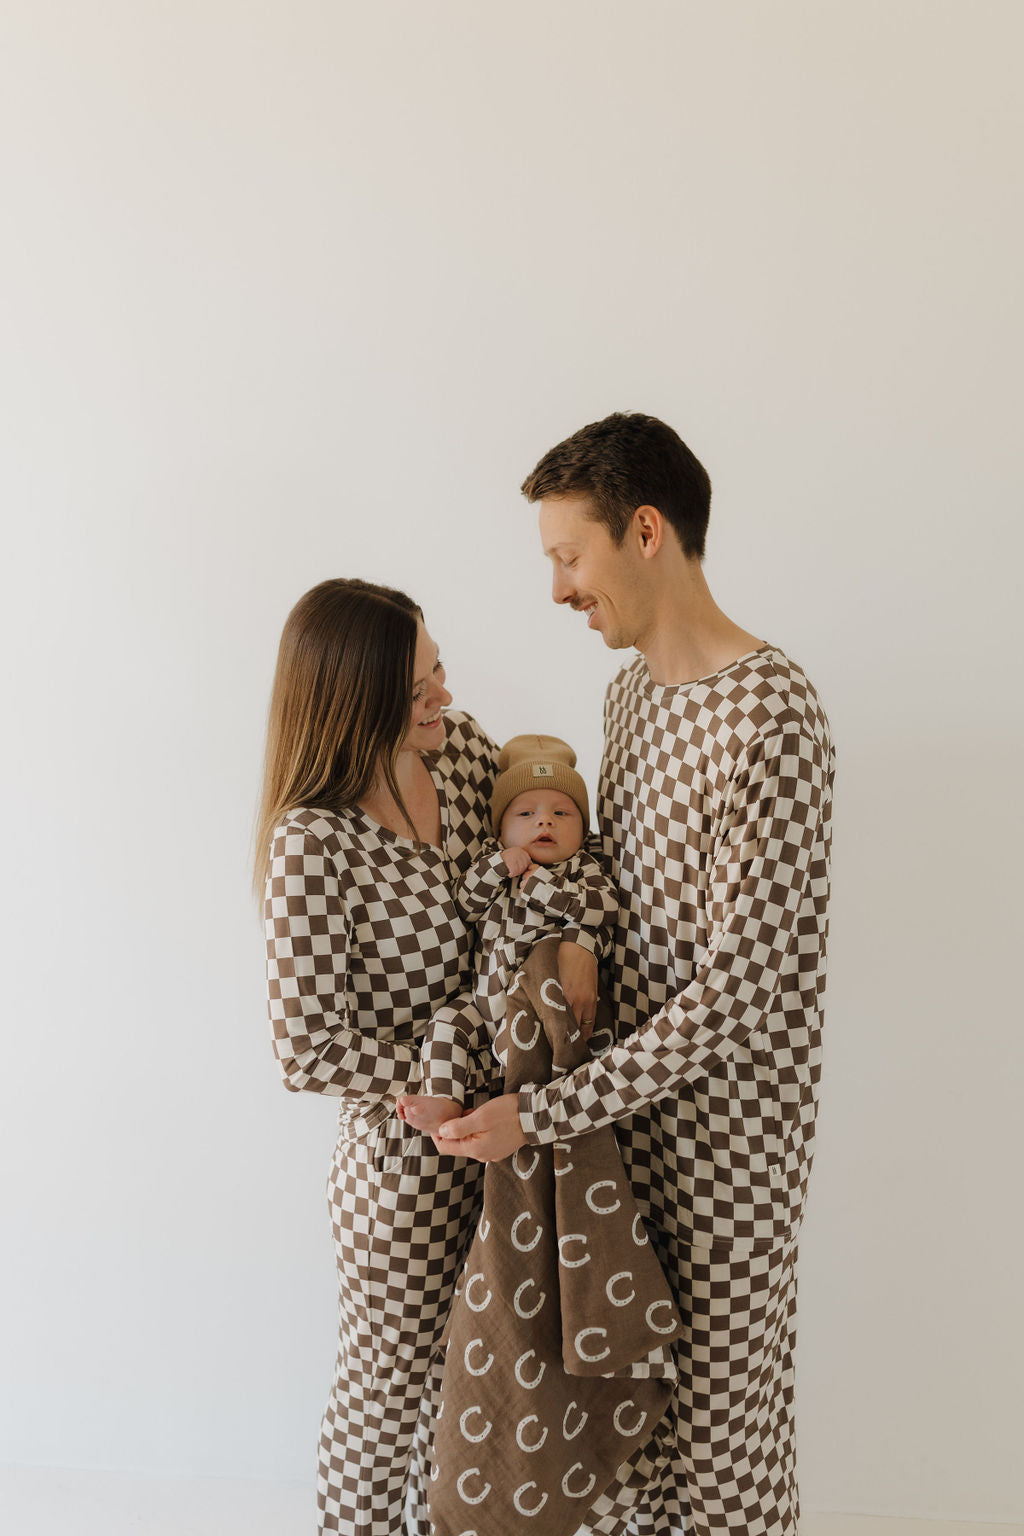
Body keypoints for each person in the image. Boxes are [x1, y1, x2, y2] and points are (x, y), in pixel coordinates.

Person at [436, 413, 836, 1536]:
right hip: (615, 1141)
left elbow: (733, 998)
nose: (558, 588)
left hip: (727, 1160)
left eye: (569, 556)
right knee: (613, 1442)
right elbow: (617, 906)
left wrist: (542, 1113)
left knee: (721, 1452)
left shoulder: (772, 715)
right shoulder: (628, 700)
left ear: (644, 530)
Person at [256, 579, 603, 1536]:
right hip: (405, 1171)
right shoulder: (312, 843)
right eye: (417, 689)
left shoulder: (458, 762)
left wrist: (579, 939)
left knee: (474, 1401)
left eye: (438, 669)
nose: (442, 697)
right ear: (352, 701)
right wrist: (442, 1074)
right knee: (386, 1400)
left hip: (510, 1149)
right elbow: (306, 1045)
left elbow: (559, 842)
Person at [398, 732, 617, 1134]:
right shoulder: (491, 861)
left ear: (583, 834)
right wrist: (498, 866)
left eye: (562, 814)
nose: (544, 821)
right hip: (483, 1001)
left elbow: (604, 910)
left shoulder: (581, 869)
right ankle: (445, 1097)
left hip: (535, 1006)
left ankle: (538, 1112)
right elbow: (465, 904)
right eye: (525, 814)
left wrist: (542, 887)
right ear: (499, 832)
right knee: (447, 1022)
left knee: (542, 1060)